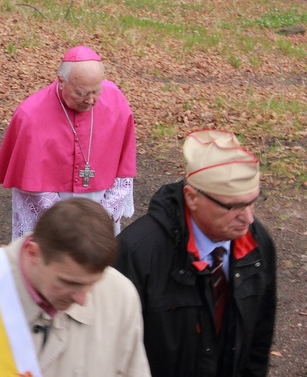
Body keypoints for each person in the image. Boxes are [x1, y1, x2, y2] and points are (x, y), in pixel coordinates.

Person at [0, 198, 150, 376]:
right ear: (33, 254)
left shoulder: (120, 295)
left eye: (93, 283)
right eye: (69, 282)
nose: (83, 299)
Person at [115, 130, 276, 376]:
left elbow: (258, 337)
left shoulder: (256, 243)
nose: (248, 218)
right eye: (234, 206)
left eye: (253, 201)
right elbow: (116, 350)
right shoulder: (137, 253)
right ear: (192, 198)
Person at [0, 45, 136, 238]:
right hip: (49, 211)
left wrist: (104, 213)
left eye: (96, 91)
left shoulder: (116, 101)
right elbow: (31, 183)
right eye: (81, 93)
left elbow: (123, 167)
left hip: (99, 204)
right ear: (61, 81)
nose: (91, 100)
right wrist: (63, 221)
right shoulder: (31, 114)